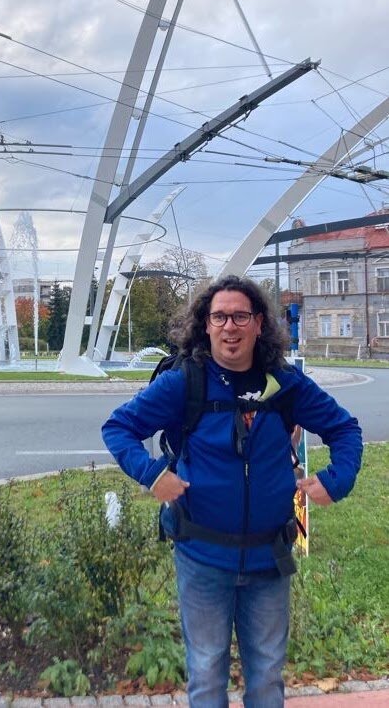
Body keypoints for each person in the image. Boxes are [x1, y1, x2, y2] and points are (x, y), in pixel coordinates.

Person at [102, 275, 362, 708]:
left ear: (259, 323)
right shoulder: (185, 382)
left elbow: (345, 429)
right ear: (205, 325)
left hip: (268, 558)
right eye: (219, 317)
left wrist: (337, 481)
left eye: (241, 316)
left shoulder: (284, 382)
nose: (230, 326)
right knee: (206, 675)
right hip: (202, 558)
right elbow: (119, 427)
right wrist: (151, 474)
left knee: (267, 679)